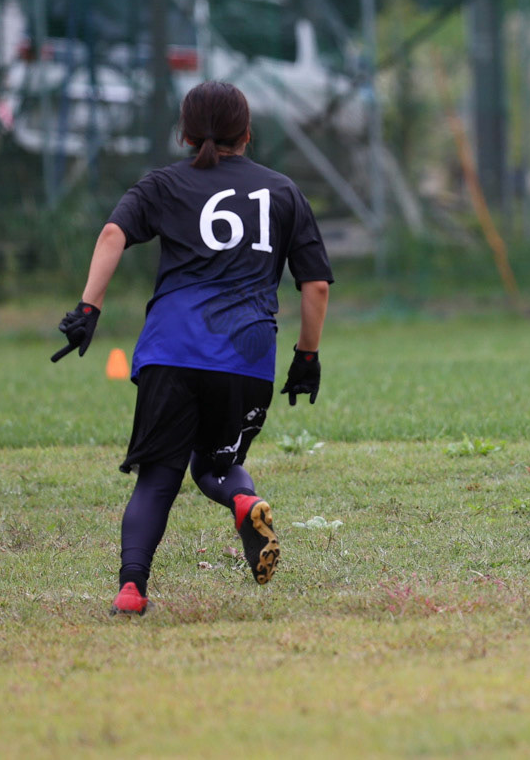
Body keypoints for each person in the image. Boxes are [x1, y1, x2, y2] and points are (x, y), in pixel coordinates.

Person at [52, 81, 333, 614]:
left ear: (184, 134)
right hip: (246, 354)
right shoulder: (283, 191)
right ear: (247, 133)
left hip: (171, 350)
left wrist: (89, 308)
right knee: (215, 465)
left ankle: (132, 589)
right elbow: (315, 285)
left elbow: (112, 235)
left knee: (159, 477)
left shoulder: (163, 184)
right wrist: (306, 357)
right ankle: (243, 499)